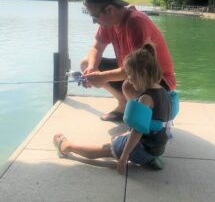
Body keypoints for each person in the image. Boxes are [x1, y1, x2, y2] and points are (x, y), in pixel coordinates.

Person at [53, 44, 171, 174]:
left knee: (104, 149)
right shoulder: (163, 92)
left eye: (130, 75)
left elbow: (137, 131)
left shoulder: (146, 99)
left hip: (143, 150)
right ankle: (151, 158)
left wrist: (124, 157)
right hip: (157, 148)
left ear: (142, 74)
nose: (128, 79)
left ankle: (67, 146)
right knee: (117, 137)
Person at [80, 0, 176, 121]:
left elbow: (137, 68)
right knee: (85, 63)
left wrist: (102, 77)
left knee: (129, 86)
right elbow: (96, 47)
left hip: (158, 78)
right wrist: (92, 68)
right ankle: (124, 103)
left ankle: (141, 123)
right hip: (133, 71)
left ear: (109, 9)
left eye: (95, 16)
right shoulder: (108, 23)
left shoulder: (136, 22)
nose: (94, 21)